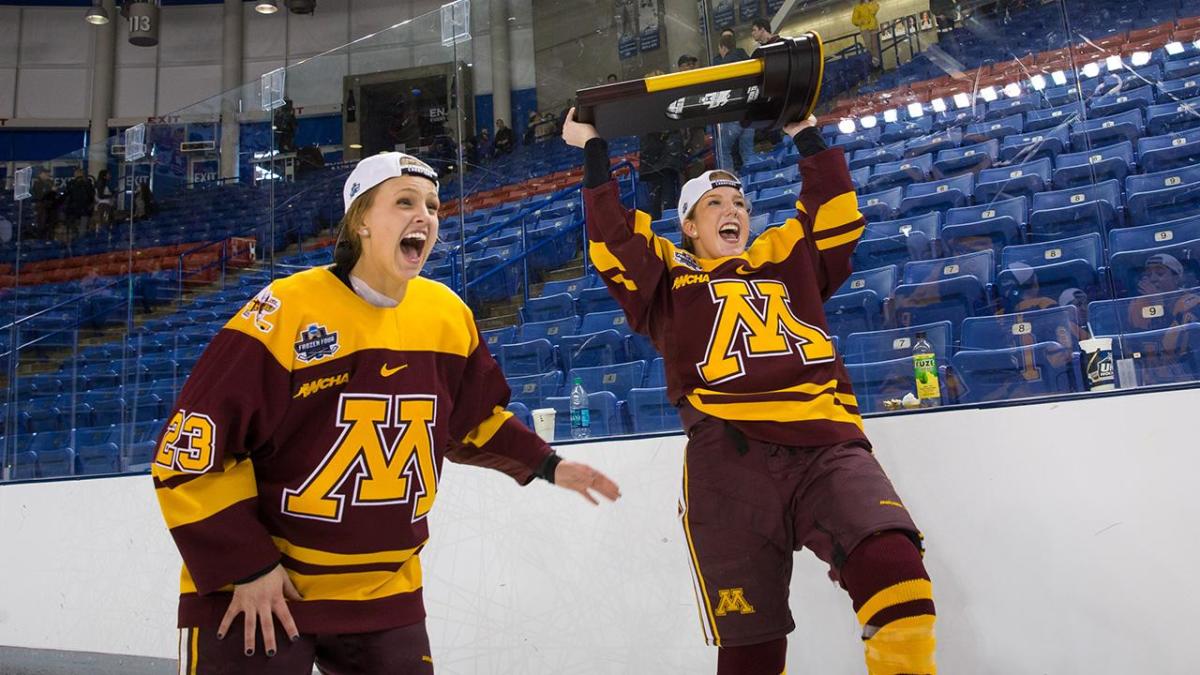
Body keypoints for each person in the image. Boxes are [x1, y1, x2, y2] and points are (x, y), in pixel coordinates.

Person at [151, 151, 621, 673]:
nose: (425, 215)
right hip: (265, 589)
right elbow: (191, 449)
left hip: (384, 590)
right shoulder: (286, 309)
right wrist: (247, 565)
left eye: (433, 205)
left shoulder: (446, 315)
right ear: (361, 222)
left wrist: (549, 464)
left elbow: (472, 422)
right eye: (404, 202)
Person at [563, 111, 937, 675]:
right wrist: (593, 147)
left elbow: (836, 213)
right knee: (752, 646)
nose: (732, 210)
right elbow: (611, 236)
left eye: (739, 203)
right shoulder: (669, 275)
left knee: (896, 569)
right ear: (688, 224)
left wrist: (801, 130)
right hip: (726, 458)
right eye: (715, 204)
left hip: (825, 443)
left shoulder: (787, 254)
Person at [713, 30, 755, 172]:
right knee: (748, 152)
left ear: (723, 48)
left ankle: (730, 183)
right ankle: (753, 181)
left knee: (723, 151)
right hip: (749, 112)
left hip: (731, 114)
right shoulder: (746, 59)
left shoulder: (722, 66)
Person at [851, 0, 882, 68]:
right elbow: (854, 20)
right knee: (869, 46)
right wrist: (862, 21)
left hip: (873, 27)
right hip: (864, 29)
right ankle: (873, 63)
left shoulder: (873, 3)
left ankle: (877, 63)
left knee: (875, 46)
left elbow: (874, 11)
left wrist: (868, 3)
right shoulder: (858, 7)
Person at [94, 168, 115, 234]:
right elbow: (101, 195)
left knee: (104, 221)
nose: (110, 175)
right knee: (106, 222)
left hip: (104, 205)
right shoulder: (101, 184)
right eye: (108, 174)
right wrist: (111, 195)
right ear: (104, 176)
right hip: (104, 205)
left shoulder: (102, 184)